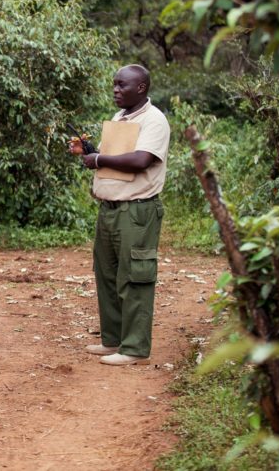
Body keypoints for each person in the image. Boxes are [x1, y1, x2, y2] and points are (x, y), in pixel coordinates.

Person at [71, 65, 170, 366]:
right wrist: (89, 151)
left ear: (140, 88)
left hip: (137, 210)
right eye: (114, 84)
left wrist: (98, 158)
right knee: (107, 274)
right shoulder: (119, 118)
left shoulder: (155, 120)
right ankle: (113, 340)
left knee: (135, 276)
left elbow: (141, 160)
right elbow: (113, 159)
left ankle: (135, 348)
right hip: (110, 208)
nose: (115, 90)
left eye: (121, 85)